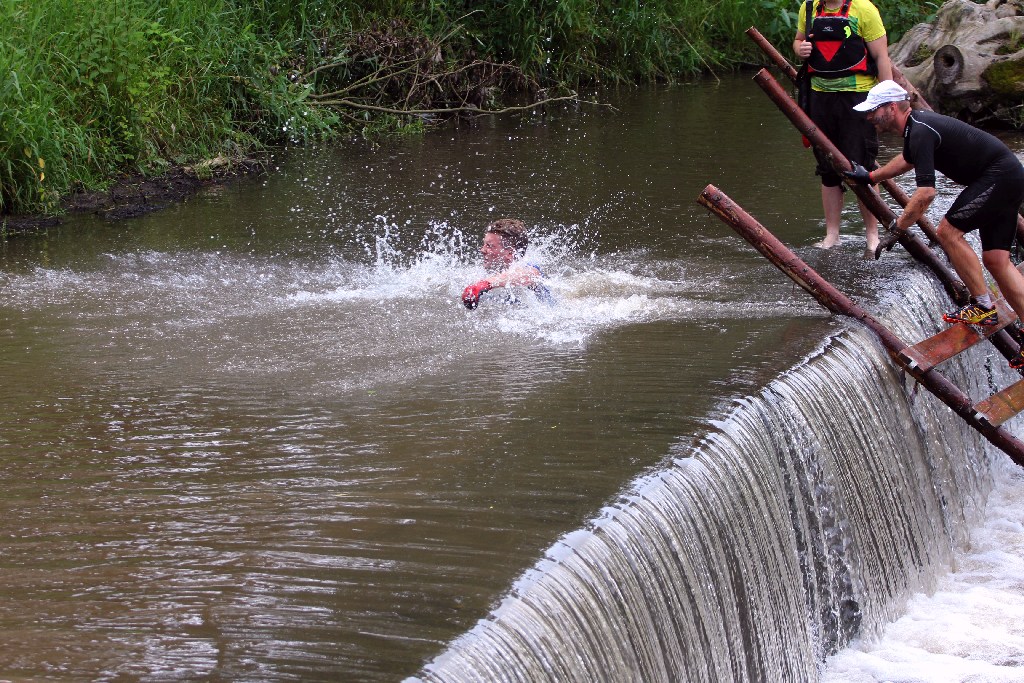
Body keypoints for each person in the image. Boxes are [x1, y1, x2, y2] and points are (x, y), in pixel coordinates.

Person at [842, 80, 1024, 368]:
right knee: (997, 260)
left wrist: (898, 228)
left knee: (947, 231)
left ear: (891, 108)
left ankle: (983, 306)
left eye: (874, 111)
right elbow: (907, 160)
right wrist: (871, 178)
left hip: (998, 177)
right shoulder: (918, 127)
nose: (869, 117)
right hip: (1007, 176)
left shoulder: (920, 130)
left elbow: (926, 193)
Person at [793, 0, 893, 256]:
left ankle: (872, 235)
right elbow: (798, 41)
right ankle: (832, 235)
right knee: (827, 168)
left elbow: (882, 57)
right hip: (819, 97)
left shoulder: (865, 9)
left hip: (858, 98)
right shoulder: (809, 8)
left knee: (864, 168)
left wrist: (886, 101)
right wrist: (800, 49)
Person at [461, 218, 552, 309]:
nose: (482, 250)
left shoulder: (528, 267)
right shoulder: (487, 273)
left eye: (489, 246)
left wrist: (485, 284)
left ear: (510, 253)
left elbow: (526, 275)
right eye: (484, 244)